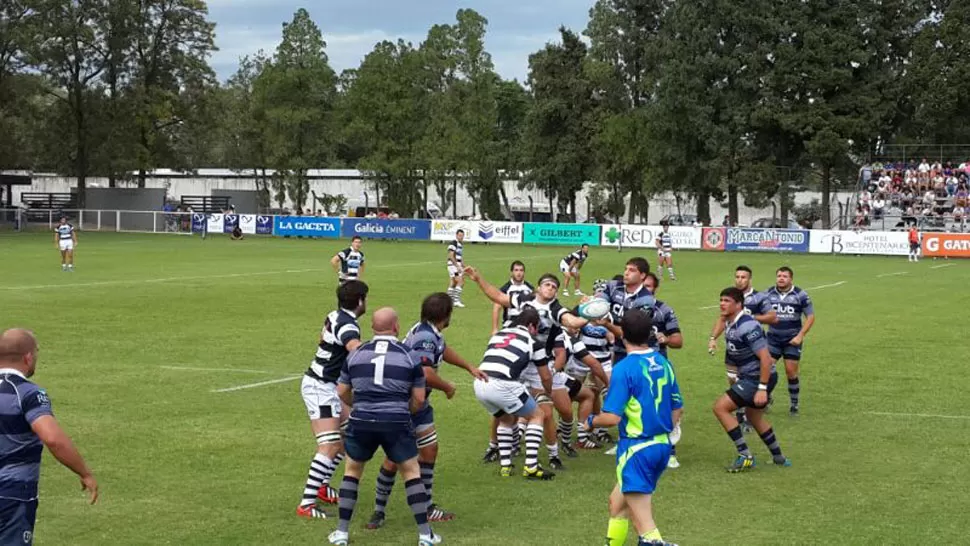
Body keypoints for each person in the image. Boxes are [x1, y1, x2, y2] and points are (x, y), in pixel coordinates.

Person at [366, 293, 486, 529]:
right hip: (408, 405)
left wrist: (468, 366)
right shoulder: (425, 337)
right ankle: (379, 511)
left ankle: (427, 507)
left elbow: (443, 349)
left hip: (418, 404)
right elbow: (426, 372)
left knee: (429, 450)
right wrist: (448, 387)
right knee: (394, 458)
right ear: (445, 315)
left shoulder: (429, 332)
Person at [329, 308, 441, 546]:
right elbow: (419, 399)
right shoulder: (409, 355)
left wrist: (358, 405)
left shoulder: (356, 354)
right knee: (411, 471)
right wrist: (403, 411)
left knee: (352, 471)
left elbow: (341, 392)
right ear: (397, 327)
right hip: (396, 420)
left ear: (372, 327)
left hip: (362, 421)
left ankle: (341, 533)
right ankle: (425, 535)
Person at [464, 267, 587, 467]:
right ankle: (494, 446)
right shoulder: (523, 299)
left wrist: (588, 315)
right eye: (547, 284)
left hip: (540, 362)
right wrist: (479, 279)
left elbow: (572, 321)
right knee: (502, 410)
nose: (551, 289)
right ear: (538, 287)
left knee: (548, 411)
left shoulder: (556, 309)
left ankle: (554, 454)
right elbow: (497, 296)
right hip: (517, 359)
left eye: (555, 287)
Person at [583, 310, 681, 546]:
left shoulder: (624, 369)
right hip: (661, 446)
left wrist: (589, 422)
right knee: (617, 506)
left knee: (647, 529)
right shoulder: (663, 362)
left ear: (622, 334)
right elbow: (677, 408)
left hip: (637, 449)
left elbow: (612, 418)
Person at [0, 329, 99, 545]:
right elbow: (53, 439)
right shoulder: (27, 393)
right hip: (10, 494)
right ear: (28, 357)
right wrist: (85, 473)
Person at [296, 281, 368, 519]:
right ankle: (306, 504)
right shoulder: (349, 326)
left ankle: (323, 487)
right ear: (359, 301)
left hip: (329, 386)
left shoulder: (334, 315)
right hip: (321, 389)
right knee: (328, 445)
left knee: (349, 435)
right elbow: (355, 350)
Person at [713, 288, 791, 472]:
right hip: (752, 377)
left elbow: (765, 358)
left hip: (757, 378)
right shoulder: (730, 323)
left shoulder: (747, 326)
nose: (722, 303)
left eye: (726, 300)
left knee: (720, 408)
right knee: (754, 417)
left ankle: (745, 455)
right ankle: (778, 457)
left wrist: (762, 388)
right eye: (721, 300)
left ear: (738, 304)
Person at [472, 308, 556, 480]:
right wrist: (548, 392)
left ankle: (505, 466)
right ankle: (531, 467)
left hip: (480, 383)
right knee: (537, 415)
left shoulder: (499, 334)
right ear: (532, 325)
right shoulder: (533, 341)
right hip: (502, 384)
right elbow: (545, 376)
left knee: (506, 419)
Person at [707, 266, 777, 428]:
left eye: (743, 277)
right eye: (737, 277)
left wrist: (748, 317)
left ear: (750, 279)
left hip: (753, 346)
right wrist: (713, 338)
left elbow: (773, 318)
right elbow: (722, 319)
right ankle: (740, 414)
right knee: (733, 382)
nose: (740, 280)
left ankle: (756, 402)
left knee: (751, 376)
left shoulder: (759, 297)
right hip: (733, 347)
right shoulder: (730, 296)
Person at [642, 273, 684, 469]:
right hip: (632, 363)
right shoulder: (627, 308)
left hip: (657, 366)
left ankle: (670, 452)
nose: (644, 290)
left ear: (655, 289)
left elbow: (678, 341)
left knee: (663, 406)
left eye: (649, 286)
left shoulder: (664, 310)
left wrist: (665, 339)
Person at [764, 267, 815, 416]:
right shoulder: (768, 294)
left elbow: (810, 317)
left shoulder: (800, 295)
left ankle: (794, 404)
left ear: (791, 279)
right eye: (779, 276)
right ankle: (766, 397)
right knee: (765, 369)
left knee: (791, 372)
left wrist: (800, 336)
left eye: (784, 276)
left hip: (792, 340)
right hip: (772, 338)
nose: (781, 278)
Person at [491, 261, 534, 335]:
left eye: (521, 270)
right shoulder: (505, 288)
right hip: (510, 325)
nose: (519, 273)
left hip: (526, 326)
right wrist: (495, 328)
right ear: (511, 272)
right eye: (516, 270)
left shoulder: (530, 288)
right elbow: (497, 307)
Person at [446, 230, 466, 308]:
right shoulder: (453, 243)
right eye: (460, 235)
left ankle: (449, 301)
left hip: (455, 265)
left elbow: (459, 258)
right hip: (453, 266)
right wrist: (457, 266)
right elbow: (451, 256)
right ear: (456, 235)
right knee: (461, 281)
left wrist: (464, 266)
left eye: (462, 236)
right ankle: (456, 301)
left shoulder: (460, 244)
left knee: (453, 283)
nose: (461, 237)